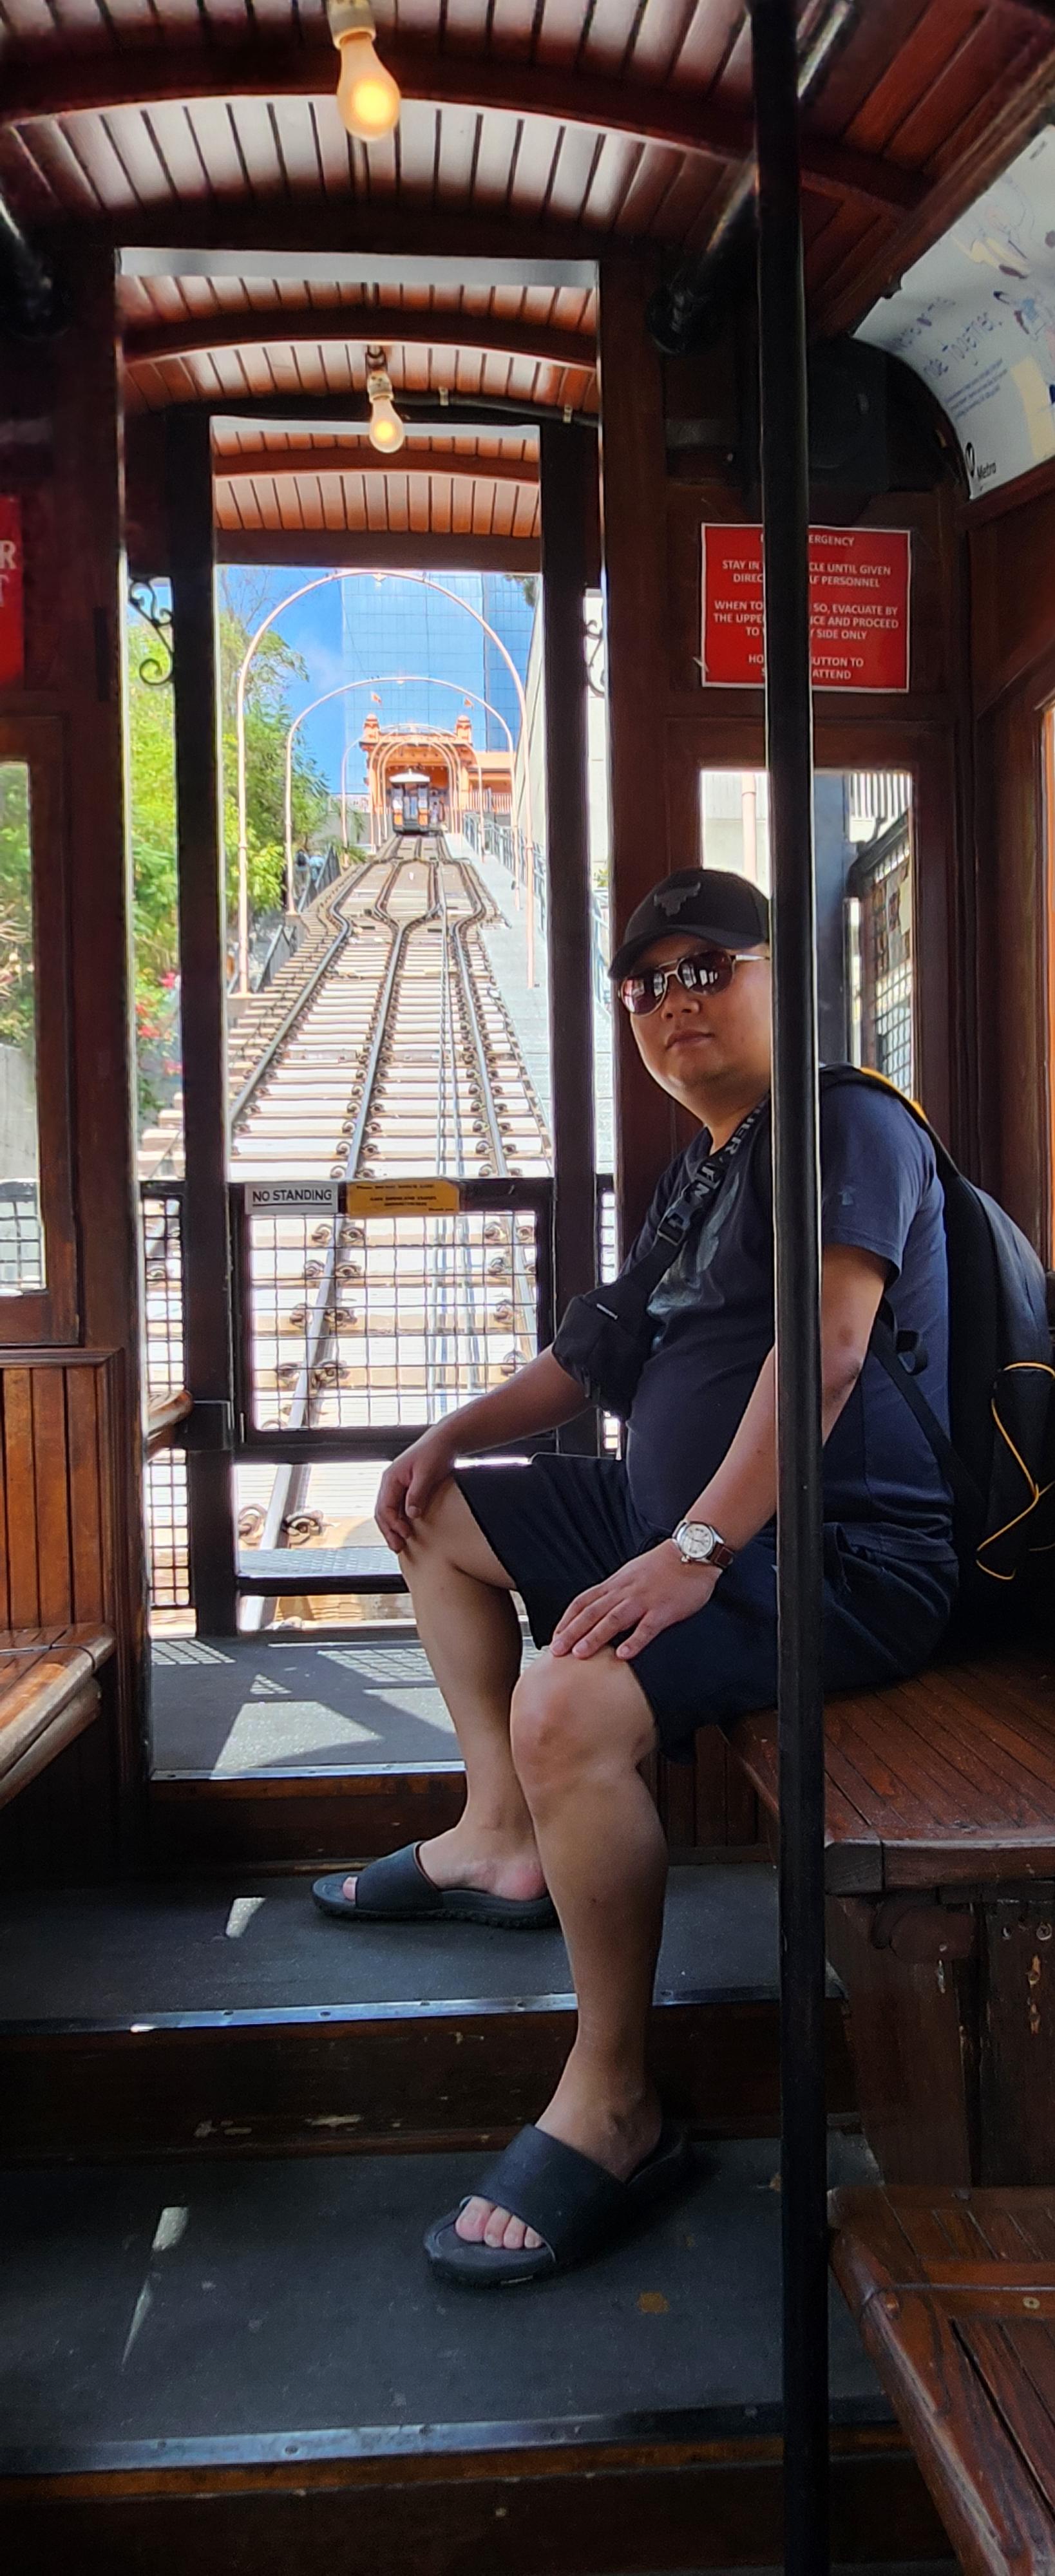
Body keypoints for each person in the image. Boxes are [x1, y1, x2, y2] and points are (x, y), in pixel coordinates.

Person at [313, 867, 958, 2286]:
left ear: (784, 980)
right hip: (691, 1521)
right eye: (645, 982)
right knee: (439, 1516)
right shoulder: (706, 1169)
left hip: (839, 1552)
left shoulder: (844, 1123)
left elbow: (829, 1349)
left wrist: (695, 1549)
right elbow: (584, 1360)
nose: (673, 1000)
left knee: (566, 1704)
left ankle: (614, 2102)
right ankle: (501, 1838)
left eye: (706, 966)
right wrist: (446, 1436)